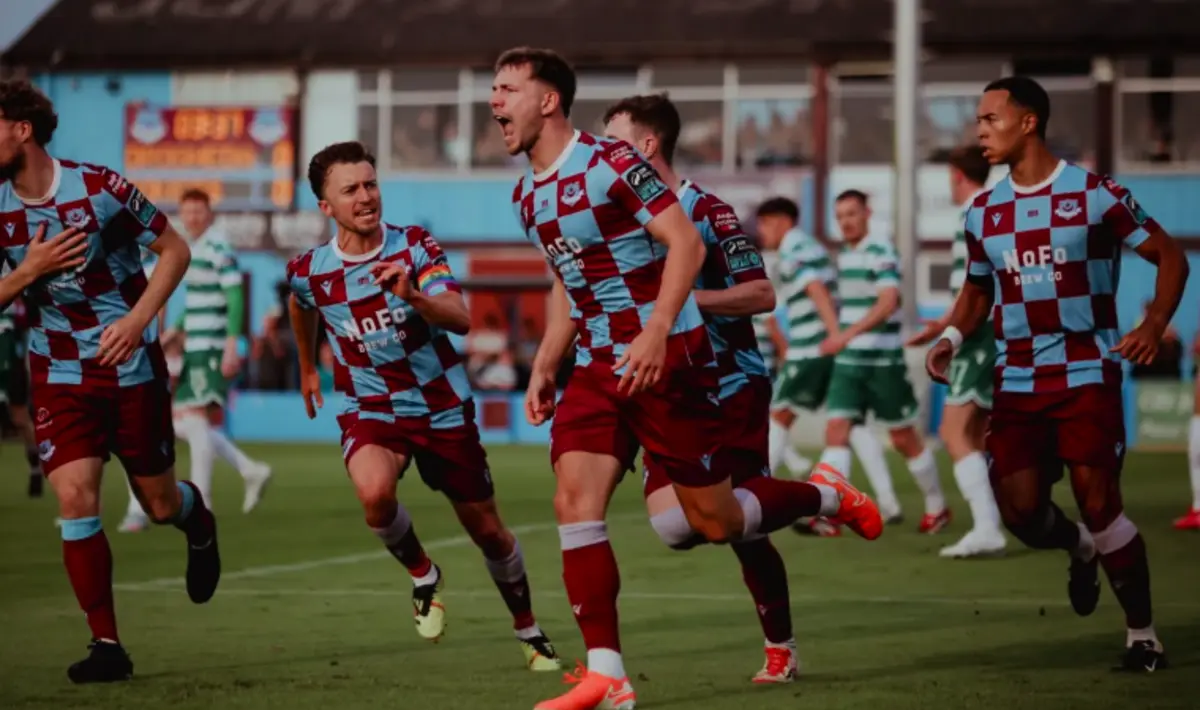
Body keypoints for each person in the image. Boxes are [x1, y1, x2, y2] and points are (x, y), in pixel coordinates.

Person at [494, 48, 879, 710]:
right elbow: (568, 282)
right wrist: (547, 362)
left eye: (506, 89)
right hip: (599, 366)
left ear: (548, 99)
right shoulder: (527, 193)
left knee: (718, 521)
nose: (494, 102)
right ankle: (607, 673)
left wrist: (656, 326)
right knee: (575, 501)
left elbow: (690, 247)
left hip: (676, 363)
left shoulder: (618, 166)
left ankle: (821, 497)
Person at [602, 93, 882, 686]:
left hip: (727, 385)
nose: (601, 154)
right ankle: (820, 493)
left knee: (736, 528)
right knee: (676, 528)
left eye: (613, 140)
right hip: (661, 389)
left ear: (647, 145)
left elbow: (761, 296)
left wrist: (681, 299)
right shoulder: (617, 220)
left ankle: (781, 642)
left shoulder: (707, 210)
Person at [925, 76, 1189, 671]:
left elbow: (1170, 256)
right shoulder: (984, 213)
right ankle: (1079, 547)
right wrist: (949, 336)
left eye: (991, 118)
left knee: (1101, 501)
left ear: (1029, 122)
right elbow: (976, 288)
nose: (979, 130)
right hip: (1016, 379)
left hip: (1087, 373)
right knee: (1019, 511)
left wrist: (1151, 325)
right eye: (978, 120)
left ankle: (1142, 634)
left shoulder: (1097, 195)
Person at [286, 140, 561, 672]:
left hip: (441, 409)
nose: (366, 197)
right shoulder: (309, 270)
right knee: (374, 496)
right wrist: (304, 366)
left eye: (371, 183)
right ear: (326, 207)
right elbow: (301, 306)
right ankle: (422, 574)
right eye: (351, 190)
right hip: (371, 408)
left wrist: (413, 296)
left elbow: (460, 318)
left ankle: (528, 630)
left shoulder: (414, 247)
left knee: (488, 533)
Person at [0, 79, 219, 682]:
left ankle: (196, 519)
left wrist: (138, 318)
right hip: (59, 372)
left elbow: (174, 249)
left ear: (22, 128)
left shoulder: (99, 187)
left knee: (158, 503)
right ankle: (107, 646)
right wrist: (28, 272)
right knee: (75, 499)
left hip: (131, 368)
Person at [119, 189, 271, 532]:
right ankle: (248, 470)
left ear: (209, 213)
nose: (192, 217)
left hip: (212, 346)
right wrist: (175, 331)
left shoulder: (218, 247)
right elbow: (199, 301)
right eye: (187, 212)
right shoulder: (191, 249)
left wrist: (232, 343)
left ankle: (202, 501)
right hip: (193, 346)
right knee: (185, 420)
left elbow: (234, 297)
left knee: (194, 419)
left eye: (198, 211)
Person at [755, 197, 895, 533]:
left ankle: (762, 495)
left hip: (812, 347)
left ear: (777, 221)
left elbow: (817, 290)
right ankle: (887, 502)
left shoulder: (795, 246)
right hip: (821, 344)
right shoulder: (805, 246)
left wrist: (835, 336)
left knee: (780, 414)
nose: (761, 233)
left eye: (763, 225)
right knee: (847, 422)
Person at [817, 190, 949, 531]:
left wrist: (846, 335)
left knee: (904, 438)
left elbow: (888, 301)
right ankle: (830, 513)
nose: (845, 222)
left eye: (851, 214)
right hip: (849, 364)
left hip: (882, 364)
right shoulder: (845, 254)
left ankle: (937, 506)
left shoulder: (881, 251)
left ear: (867, 214)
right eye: (840, 216)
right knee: (836, 430)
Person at [907, 146, 1007, 557]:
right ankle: (1004, 517)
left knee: (953, 433)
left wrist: (951, 334)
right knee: (981, 436)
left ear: (957, 176)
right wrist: (939, 327)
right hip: (984, 333)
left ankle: (988, 527)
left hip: (977, 338)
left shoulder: (971, 214)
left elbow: (974, 289)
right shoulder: (990, 210)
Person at [0, 285, 39, 496]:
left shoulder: (17, 284)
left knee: (20, 417)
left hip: (12, 363)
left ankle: (35, 468)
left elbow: (28, 324)